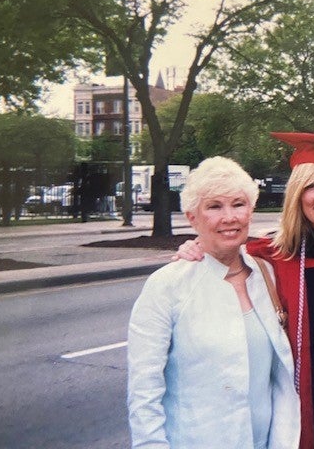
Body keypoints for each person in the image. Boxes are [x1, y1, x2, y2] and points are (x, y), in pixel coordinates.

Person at [175, 132, 314, 448]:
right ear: (296, 194)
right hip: (303, 411)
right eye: (311, 186)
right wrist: (195, 248)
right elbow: (221, 250)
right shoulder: (273, 255)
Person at [127, 156, 300, 448]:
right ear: (192, 216)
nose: (229, 217)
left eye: (238, 204)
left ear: (251, 210)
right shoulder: (167, 286)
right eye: (214, 207)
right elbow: (144, 394)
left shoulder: (266, 274)